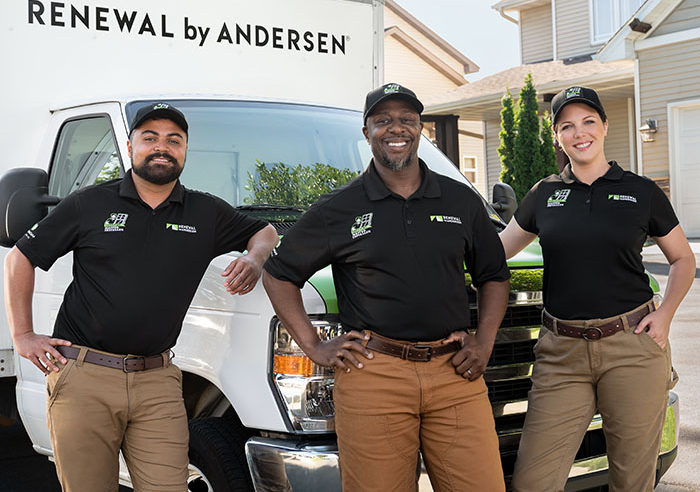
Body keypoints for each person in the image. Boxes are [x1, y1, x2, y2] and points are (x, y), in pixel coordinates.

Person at [4, 103, 279, 492]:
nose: (161, 147)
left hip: (159, 382)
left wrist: (254, 258)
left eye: (174, 140)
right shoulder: (90, 203)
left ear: (185, 150)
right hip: (85, 377)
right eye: (150, 138)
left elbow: (265, 231)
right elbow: (20, 259)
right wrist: (22, 335)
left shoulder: (205, 211)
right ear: (132, 144)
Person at [262, 83, 510, 492]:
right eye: (383, 121)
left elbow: (493, 276)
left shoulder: (459, 200)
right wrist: (313, 345)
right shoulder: (337, 208)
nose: (396, 129)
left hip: (454, 374)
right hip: (373, 374)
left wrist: (484, 342)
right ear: (367, 132)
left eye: (407, 120)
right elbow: (279, 273)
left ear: (420, 129)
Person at [500, 86, 696, 492]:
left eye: (588, 121)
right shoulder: (544, 194)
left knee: (631, 480)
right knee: (533, 481)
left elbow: (683, 259)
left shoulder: (641, 192)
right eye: (567, 125)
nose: (579, 132)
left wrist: (665, 315)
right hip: (561, 354)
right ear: (557, 136)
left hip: (632, 348)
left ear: (605, 126)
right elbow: (495, 253)